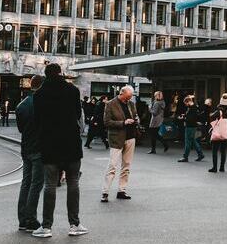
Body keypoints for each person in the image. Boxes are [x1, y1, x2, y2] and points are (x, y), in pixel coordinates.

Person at [31, 64, 88, 238]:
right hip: (71, 143)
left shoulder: (39, 94)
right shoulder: (72, 90)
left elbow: (37, 120)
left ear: (46, 75)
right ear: (61, 73)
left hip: (50, 145)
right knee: (73, 183)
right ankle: (74, 224)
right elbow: (78, 114)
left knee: (49, 185)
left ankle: (46, 226)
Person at [16, 75, 46, 233]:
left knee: (26, 183)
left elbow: (21, 129)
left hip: (25, 148)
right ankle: (31, 219)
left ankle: (22, 219)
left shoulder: (21, 105)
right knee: (36, 184)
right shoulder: (45, 104)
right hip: (39, 149)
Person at [100, 85, 139, 203]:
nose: (128, 100)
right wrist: (123, 122)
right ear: (121, 93)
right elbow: (107, 122)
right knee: (112, 166)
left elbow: (135, 114)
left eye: (130, 98)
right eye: (127, 97)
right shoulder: (110, 104)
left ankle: (122, 190)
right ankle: (105, 192)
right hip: (117, 138)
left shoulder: (131, 104)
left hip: (130, 137)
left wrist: (136, 119)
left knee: (126, 165)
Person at [208, 94, 227, 173]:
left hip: (218, 132)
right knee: (223, 151)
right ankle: (222, 167)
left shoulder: (219, 111)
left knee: (214, 151)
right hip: (225, 132)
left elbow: (211, 117)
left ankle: (214, 168)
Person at [175, 95, 205, 162]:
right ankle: (200, 154)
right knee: (193, 141)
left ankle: (185, 157)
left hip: (190, 126)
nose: (185, 105)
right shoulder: (193, 107)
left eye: (186, 103)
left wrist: (183, 118)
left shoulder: (192, 108)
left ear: (188, 102)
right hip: (192, 126)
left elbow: (191, 119)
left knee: (188, 142)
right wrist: (185, 115)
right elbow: (191, 116)